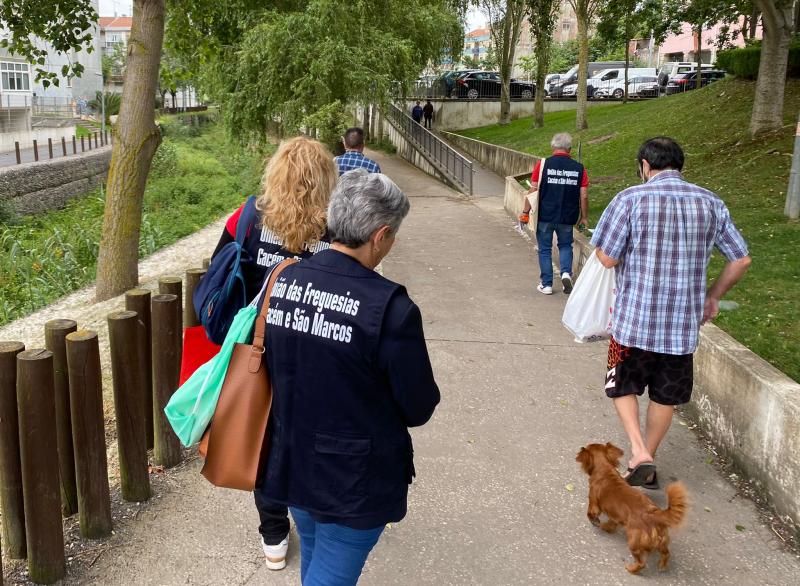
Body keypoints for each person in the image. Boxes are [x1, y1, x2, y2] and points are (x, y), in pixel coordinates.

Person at [258, 168, 440, 585]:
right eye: (393, 235)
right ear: (379, 235)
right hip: (352, 481)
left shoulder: (283, 280)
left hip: (293, 460)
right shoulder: (389, 308)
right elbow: (418, 406)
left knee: (316, 559)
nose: (391, 244)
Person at [185, 136, 338, 571]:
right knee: (308, 438)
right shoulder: (337, 227)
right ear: (328, 179)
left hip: (256, 348)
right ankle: (312, 523)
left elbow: (220, 269)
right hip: (316, 352)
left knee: (262, 440)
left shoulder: (249, 215)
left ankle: (273, 537)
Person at [591, 136, 751, 489]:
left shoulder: (630, 199)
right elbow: (741, 258)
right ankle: (646, 455)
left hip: (633, 323)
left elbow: (607, 258)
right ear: (680, 166)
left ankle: (638, 451)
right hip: (681, 329)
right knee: (666, 395)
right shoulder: (711, 202)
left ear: (645, 166)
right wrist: (713, 297)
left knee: (622, 386)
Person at [518, 132, 588, 295]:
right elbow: (584, 195)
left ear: (553, 147)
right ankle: (565, 274)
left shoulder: (543, 165)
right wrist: (584, 217)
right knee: (565, 245)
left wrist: (525, 212)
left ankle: (547, 284)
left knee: (544, 249)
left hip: (545, 215)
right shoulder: (579, 169)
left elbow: (533, 189)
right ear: (569, 149)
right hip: (567, 216)